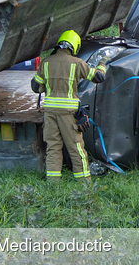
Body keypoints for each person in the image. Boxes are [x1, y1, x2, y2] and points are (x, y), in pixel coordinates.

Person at [31, 30, 107, 182]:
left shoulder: (46, 62)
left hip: (50, 112)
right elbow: (99, 77)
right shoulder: (77, 63)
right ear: (75, 46)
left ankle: (53, 183)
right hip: (68, 113)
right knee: (76, 148)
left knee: (53, 147)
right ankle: (84, 183)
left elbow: (35, 86)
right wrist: (103, 63)